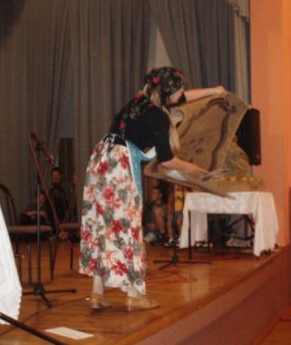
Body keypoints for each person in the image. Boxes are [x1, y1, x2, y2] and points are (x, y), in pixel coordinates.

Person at [79, 66, 224, 311]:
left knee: (101, 225)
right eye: (178, 90)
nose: (182, 94)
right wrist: (193, 169)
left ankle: (96, 293)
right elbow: (167, 160)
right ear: (167, 92)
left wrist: (214, 91)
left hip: (101, 160)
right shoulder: (158, 117)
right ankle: (134, 295)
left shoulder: (139, 102)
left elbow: (183, 98)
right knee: (127, 226)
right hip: (120, 165)